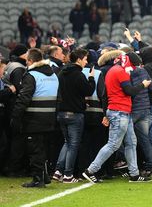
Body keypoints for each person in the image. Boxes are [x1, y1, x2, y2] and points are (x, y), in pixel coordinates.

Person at [82, 52, 152, 184]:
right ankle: (90, 171)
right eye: (134, 65)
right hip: (120, 112)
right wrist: (143, 84)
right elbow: (129, 91)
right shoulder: (120, 72)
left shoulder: (113, 70)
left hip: (121, 111)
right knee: (114, 144)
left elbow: (106, 94)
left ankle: (134, 174)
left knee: (131, 143)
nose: (134, 68)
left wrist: (106, 114)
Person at [11, 48, 59, 187]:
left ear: (31, 61)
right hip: (50, 119)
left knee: (35, 150)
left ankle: (38, 179)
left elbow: (23, 99)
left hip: (33, 119)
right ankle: (44, 176)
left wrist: (16, 117)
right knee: (44, 149)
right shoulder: (53, 75)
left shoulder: (31, 75)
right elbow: (58, 99)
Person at [53, 48, 96, 183]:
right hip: (74, 114)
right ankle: (68, 175)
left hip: (61, 113)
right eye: (85, 59)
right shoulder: (79, 74)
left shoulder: (61, 73)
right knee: (73, 145)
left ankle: (58, 171)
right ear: (78, 59)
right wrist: (91, 78)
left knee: (67, 142)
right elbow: (88, 90)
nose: (86, 62)